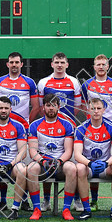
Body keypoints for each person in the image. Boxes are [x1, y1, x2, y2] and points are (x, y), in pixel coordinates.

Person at [0, 51, 39, 209]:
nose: (14, 65)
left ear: (21, 64)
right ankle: (4, 200)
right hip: (3, 127)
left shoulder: (29, 82)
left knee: (21, 165)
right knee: (3, 161)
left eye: (17, 62)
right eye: (11, 62)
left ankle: (23, 199)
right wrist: (0, 123)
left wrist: (26, 123)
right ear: (7, 64)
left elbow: (36, 106)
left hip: (21, 130)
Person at [36, 52, 81, 211]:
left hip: (68, 128)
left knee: (73, 164)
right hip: (48, 127)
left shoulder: (74, 82)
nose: (60, 65)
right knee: (47, 159)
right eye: (57, 62)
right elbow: (42, 106)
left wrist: (66, 122)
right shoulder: (44, 82)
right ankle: (46, 201)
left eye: (62, 62)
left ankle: (76, 199)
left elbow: (77, 106)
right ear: (52, 64)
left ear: (67, 64)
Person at [79, 54, 112, 207]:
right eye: (97, 64)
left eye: (103, 64)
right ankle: (93, 200)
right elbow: (84, 105)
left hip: (110, 128)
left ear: (108, 66)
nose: (100, 67)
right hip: (92, 127)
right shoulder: (87, 84)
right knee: (92, 157)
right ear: (94, 67)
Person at [26, 94, 77, 220]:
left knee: (72, 168)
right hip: (43, 164)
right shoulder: (34, 125)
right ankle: (37, 209)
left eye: (54, 105)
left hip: (60, 164)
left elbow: (68, 151)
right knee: (32, 168)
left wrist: (59, 161)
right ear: (43, 107)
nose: (51, 108)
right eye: (48, 105)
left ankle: (66, 209)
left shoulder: (67, 125)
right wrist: (42, 161)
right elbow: (33, 151)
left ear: (59, 107)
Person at [73, 97, 112, 220]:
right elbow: (77, 154)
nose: (96, 111)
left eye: (98, 108)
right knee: (79, 168)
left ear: (104, 110)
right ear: (87, 110)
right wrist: (89, 164)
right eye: (93, 108)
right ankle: (86, 209)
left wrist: (107, 163)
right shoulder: (81, 128)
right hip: (89, 166)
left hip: (105, 166)